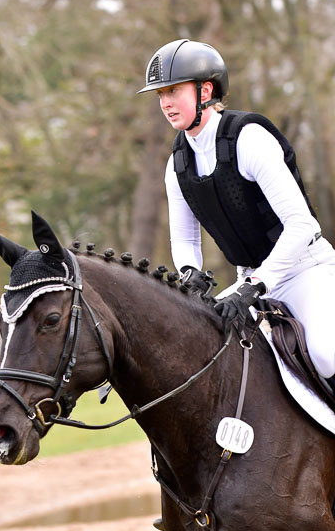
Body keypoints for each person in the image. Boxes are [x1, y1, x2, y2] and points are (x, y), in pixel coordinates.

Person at [138, 38, 335, 394]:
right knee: (196, 348)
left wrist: (255, 285)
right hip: (248, 282)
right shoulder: (177, 162)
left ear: (205, 90)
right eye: (160, 95)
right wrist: (189, 273)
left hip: (306, 271)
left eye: (173, 91)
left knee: (325, 355)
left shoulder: (249, 139)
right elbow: (185, 239)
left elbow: (303, 224)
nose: (165, 103)